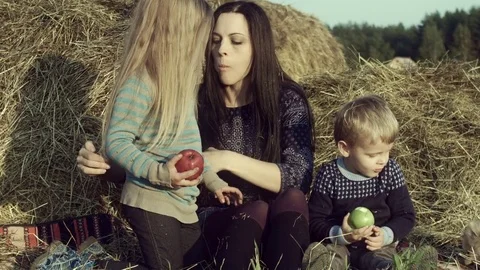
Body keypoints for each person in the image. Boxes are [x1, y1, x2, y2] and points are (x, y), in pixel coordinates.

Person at [77, 1, 315, 269]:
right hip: (211, 226)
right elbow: (156, 156)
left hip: (272, 229)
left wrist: (225, 159)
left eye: (236, 41)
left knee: (291, 198)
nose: (222, 50)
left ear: (258, 47)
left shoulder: (286, 99)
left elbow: (300, 176)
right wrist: (107, 166)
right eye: (214, 40)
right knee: (251, 211)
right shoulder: (194, 98)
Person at [97, 1, 242, 269]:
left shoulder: (181, 88)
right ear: (176, 37)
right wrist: (159, 172)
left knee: (194, 264)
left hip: (183, 204)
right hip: (150, 199)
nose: (204, 50)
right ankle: (93, 265)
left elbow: (192, 151)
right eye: (199, 38)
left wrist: (213, 181)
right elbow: (116, 141)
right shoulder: (141, 83)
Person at [305, 95, 435, 270]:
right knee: (326, 257)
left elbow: (405, 215)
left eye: (387, 152)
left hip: (378, 246)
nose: (382, 160)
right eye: (372, 155)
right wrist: (341, 234)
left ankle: (411, 265)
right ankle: (320, 264)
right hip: (340, 245)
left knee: (381, 262)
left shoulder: (390, 171)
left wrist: (386, 235)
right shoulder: (329, 175)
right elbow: (315, 220)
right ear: (345, 148)